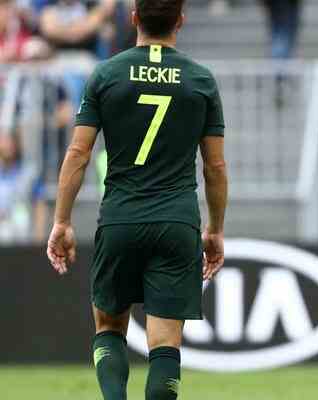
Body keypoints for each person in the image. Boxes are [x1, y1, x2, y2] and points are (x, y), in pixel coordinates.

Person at [45, 1, 228, 399]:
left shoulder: (107, 74)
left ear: (133, 19)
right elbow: (215, 167)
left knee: (109, 328)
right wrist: (215, 230)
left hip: (121, 219)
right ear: (181, 20)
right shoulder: (200, 80)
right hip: (177, 223)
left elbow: (78, 154)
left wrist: (61, 221)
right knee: (165, 344)